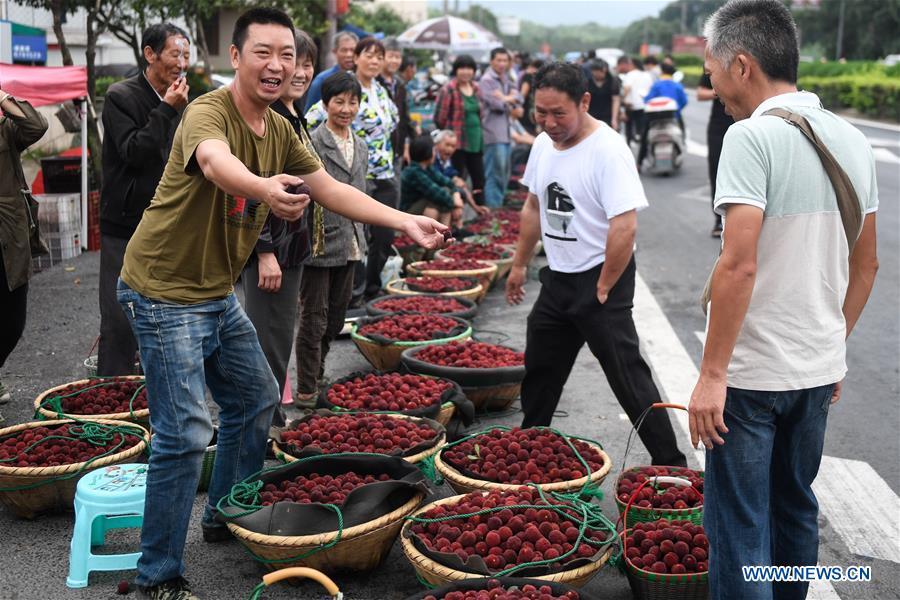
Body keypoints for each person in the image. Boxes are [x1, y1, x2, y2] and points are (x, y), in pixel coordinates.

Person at [115, 9, 448, 599]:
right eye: (263, 53)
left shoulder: (282, 129)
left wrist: (404, 221)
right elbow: (216, 162)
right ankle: (156, 576)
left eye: (287, 54)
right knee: (184, 433)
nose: (277, 66)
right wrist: (264, 188)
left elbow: (331, 188)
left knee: (256, 397)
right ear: (236, 58)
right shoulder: (207, 111)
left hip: (214, 292)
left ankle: (226, 511)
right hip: (163, 291)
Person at [689, 2, 879, 599]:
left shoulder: (751, 137)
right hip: (817, 370)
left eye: (712, 71)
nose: (712, 87)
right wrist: (832, 346)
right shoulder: (853, 139)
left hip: (752, 378)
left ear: (742, 65)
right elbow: (866, 264)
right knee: (795, 507)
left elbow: (738, 264)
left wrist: (711, 375)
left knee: (740, 525)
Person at [505, 62, 686, 468]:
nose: (549, 123)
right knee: (541, 367)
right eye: (540, 113)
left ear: (584, 102)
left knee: (627, 377)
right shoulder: (542, 145)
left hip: (602, 278)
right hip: (558, 279)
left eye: (559, 113)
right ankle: (530, 447)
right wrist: (519, 265)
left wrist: (603, 286)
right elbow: (533, 207)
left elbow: (625, 225)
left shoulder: (608, 150)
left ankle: (671, 463)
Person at [97, 23, 190, 376]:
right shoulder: (121, 96)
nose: (182, 63)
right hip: (125, 222)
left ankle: (157, 393)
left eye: (186, 55)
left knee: (167, 313)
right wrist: (166, 109)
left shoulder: (182, 101)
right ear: (150, 54)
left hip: (168, 222)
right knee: (119, 319)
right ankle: (112, 396)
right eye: (175, 54)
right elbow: (134, 152)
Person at [236, 29, 318, 422]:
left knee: (279, 336)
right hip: (272, 250)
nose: (298, 72)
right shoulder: (263, 120)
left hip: (293, 247)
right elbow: (250, 190)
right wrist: (265, 251)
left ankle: (268, 417)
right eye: (292, 62)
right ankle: (259, 424)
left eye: (305, 63)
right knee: (265, 339)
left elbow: (326, 187)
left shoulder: (293, 118)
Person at [296, 72, 369, 405]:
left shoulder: (361, 146)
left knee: (337, 317)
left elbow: (363, 193)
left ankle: (319, 371)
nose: (346, 109)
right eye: (339, 102)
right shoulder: (313, 142)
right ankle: (306, 388)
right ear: (325, 105)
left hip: (352, 242)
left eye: (352, 102)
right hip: (320, 242)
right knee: (314, 317)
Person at [307, 38, 398, 300]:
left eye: (379, 56)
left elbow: (392, 125)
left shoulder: (380, 91)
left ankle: (371, 289)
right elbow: (310, 121)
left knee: (382, 236)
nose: (374, 61)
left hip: (384, 172)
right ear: (356, 58)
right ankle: (352, 294)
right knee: (350, 236)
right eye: (368, 55)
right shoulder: (342, 87)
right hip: (350, 177)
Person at [0, 88, 48, 408]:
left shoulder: (6, 130)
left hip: (10, 237)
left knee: (13, 322)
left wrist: (2, 98)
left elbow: (37, 125)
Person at [434, 54, 485, 207]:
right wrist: (450, 134)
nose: (466, 72)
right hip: (456, 143)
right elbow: (439, 118)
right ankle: (457, 213)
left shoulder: (476, 88)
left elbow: (480, 113)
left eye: (469, 68)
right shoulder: (448, 89)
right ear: (456, 70)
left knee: (479, 179)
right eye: (462, 68)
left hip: (476, 140)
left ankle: (481, 213)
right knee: (457, 178)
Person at [479, 47, 522, 208]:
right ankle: (493, 209)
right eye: (499, 60)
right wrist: (509, 99)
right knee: (494, 173)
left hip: (505, 133)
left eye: (505, 60)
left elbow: (519, 98)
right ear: (492, 61)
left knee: (504, 173)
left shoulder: (505, 78)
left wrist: (505, 97)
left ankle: (498, 205)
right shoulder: (487, 80)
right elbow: (497, 104)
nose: (502, 64)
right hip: (493, 133)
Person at [698, 71, 735, 237]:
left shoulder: (750, 61)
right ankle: (719, 220)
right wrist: (719, 90)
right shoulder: (715, 65)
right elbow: (700, 93)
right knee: (717, 172)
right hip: (718, 128)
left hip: (747, 123)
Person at [401, 135, 464, 227]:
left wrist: (456, 196)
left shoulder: (428, 167)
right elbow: (438, 194)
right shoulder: (414, 172)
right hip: (408, 212)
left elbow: (449, 183)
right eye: (434, 150)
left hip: (420, 206)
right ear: (427, 153)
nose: (435, 153)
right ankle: (440, 231)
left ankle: (445, 231)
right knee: (440, 198)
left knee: (446, 194)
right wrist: (457, 205)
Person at [638, 63, 688, 170]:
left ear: (662, 72)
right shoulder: (677, 85)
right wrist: (677, 110)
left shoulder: (656, 85)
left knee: (644, 137)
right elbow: (684, 101)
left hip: (654, 118)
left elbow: (647, 100)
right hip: (673, 117)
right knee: (682, 132)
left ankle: (639, 163)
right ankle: (682, 147)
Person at [431, 129, 488, 219]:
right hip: (428, 197)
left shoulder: (448, 161)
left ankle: (456, 224)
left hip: (442, 195)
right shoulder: (431, 159)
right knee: (452, 195)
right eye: (447, 145)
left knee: (459, 189)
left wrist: (475, 207)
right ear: (436, 144)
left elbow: (459, 183)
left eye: (453, 146)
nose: (450, 149)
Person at [378, 37, 412, 166]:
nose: (394, 61)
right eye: (390, 56)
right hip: (377, 150)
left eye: (397, 57)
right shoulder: (374, 82)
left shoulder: (400, 85)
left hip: (397, 150)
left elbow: (404, 118)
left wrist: (406, 147)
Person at [304, 31, 358, 111]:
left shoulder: (362, 77)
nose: (349, 54)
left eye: (352, 50)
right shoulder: (322, 80)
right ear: (335, 52)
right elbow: (309, 112)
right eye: (344, 50)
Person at [619, 56, 654, 145]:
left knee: (629, 128)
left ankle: (629, 145)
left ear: (633, 65)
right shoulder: (647, 75)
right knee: (643, 129)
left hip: (631, 105)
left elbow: (627, 88)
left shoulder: (630, 74)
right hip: (644, 106)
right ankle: (643, 146)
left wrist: (622, 100)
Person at [585, 59, 620, 130]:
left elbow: (616, 100)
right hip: (592, 115)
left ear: (605, 70)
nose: (596, 74)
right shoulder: (588, 82)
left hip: (608, 116)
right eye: (594, 71)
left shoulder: (612, 81)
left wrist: (614, 119)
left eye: (599, 72)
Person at [518, 58, 543, 135]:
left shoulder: (528, 76)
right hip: (532, 113)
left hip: (526, 112)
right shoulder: (538, 78)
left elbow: (522, 94)